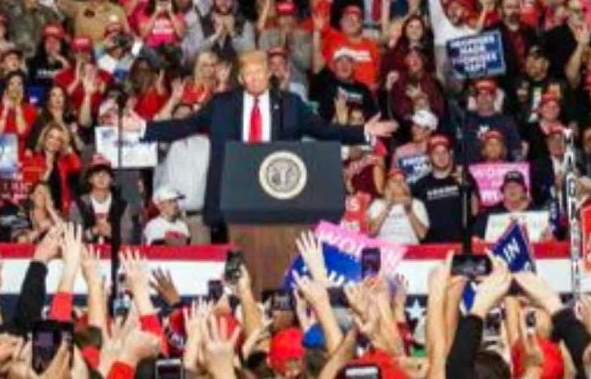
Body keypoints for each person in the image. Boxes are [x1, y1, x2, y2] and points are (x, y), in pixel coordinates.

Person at [134, 50, 396, 228]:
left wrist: (362, 132)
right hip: (232, 197)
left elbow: (324, 130)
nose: (255, 78)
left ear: (269, 74)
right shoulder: (222, 105)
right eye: (249, 73)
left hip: (277, 197)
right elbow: (184, 126)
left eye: (260, 71)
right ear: (240, 78)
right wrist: (144, 127)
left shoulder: (290, 104)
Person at [366, 170, 429, 244]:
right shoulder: (377, 204)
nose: (399, 183)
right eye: (394, 181)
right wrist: (387, 207)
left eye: (402, 180)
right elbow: (371, 233)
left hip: (410, 248)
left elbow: (422, 235)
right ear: (386, 185)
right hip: (386, 249)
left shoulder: (417, 204)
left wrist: (409, 211)